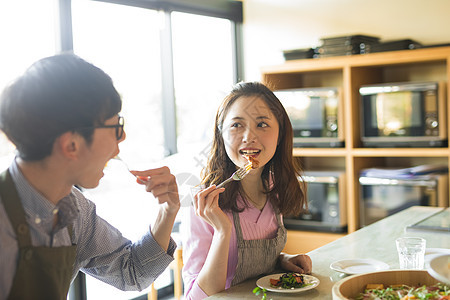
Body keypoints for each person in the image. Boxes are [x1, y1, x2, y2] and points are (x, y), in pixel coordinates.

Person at [0, 53, 180, 300]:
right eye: (116, 127)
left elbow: (132, 271)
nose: (123, 137)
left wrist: (167, 211)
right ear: (72, 144)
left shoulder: (73, 209)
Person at [182, 81, 312, 299]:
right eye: (236, 125)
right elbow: (195, 297)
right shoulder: (205, 201)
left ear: (280, 135)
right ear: (221, 135)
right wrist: (223, 231)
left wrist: (282, 260)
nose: (249, 137)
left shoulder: (274, 186)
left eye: (262, 124)